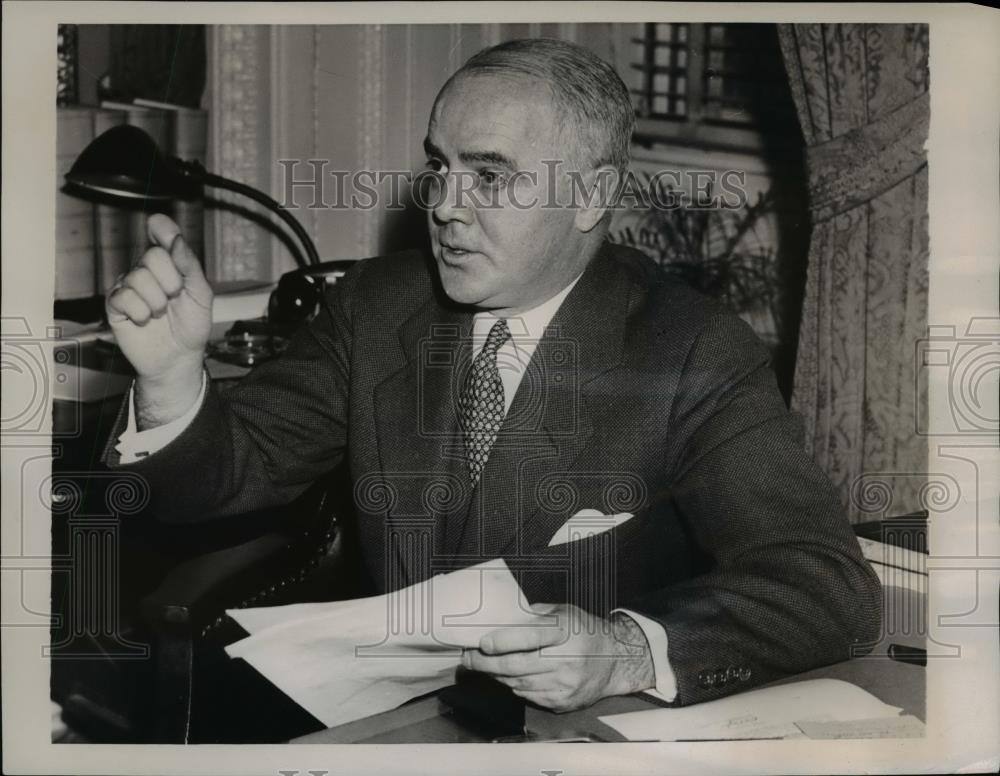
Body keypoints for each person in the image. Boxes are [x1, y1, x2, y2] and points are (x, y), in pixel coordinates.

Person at [104, 38, 881, 717]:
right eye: (439, 166)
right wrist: (173, 380)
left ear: (592, 196)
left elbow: (822, 587)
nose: (444, 205)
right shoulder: (376, 308)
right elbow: (217, 482)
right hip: (386, 727)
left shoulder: (692, 353)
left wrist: (626, 649)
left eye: (489, 176)